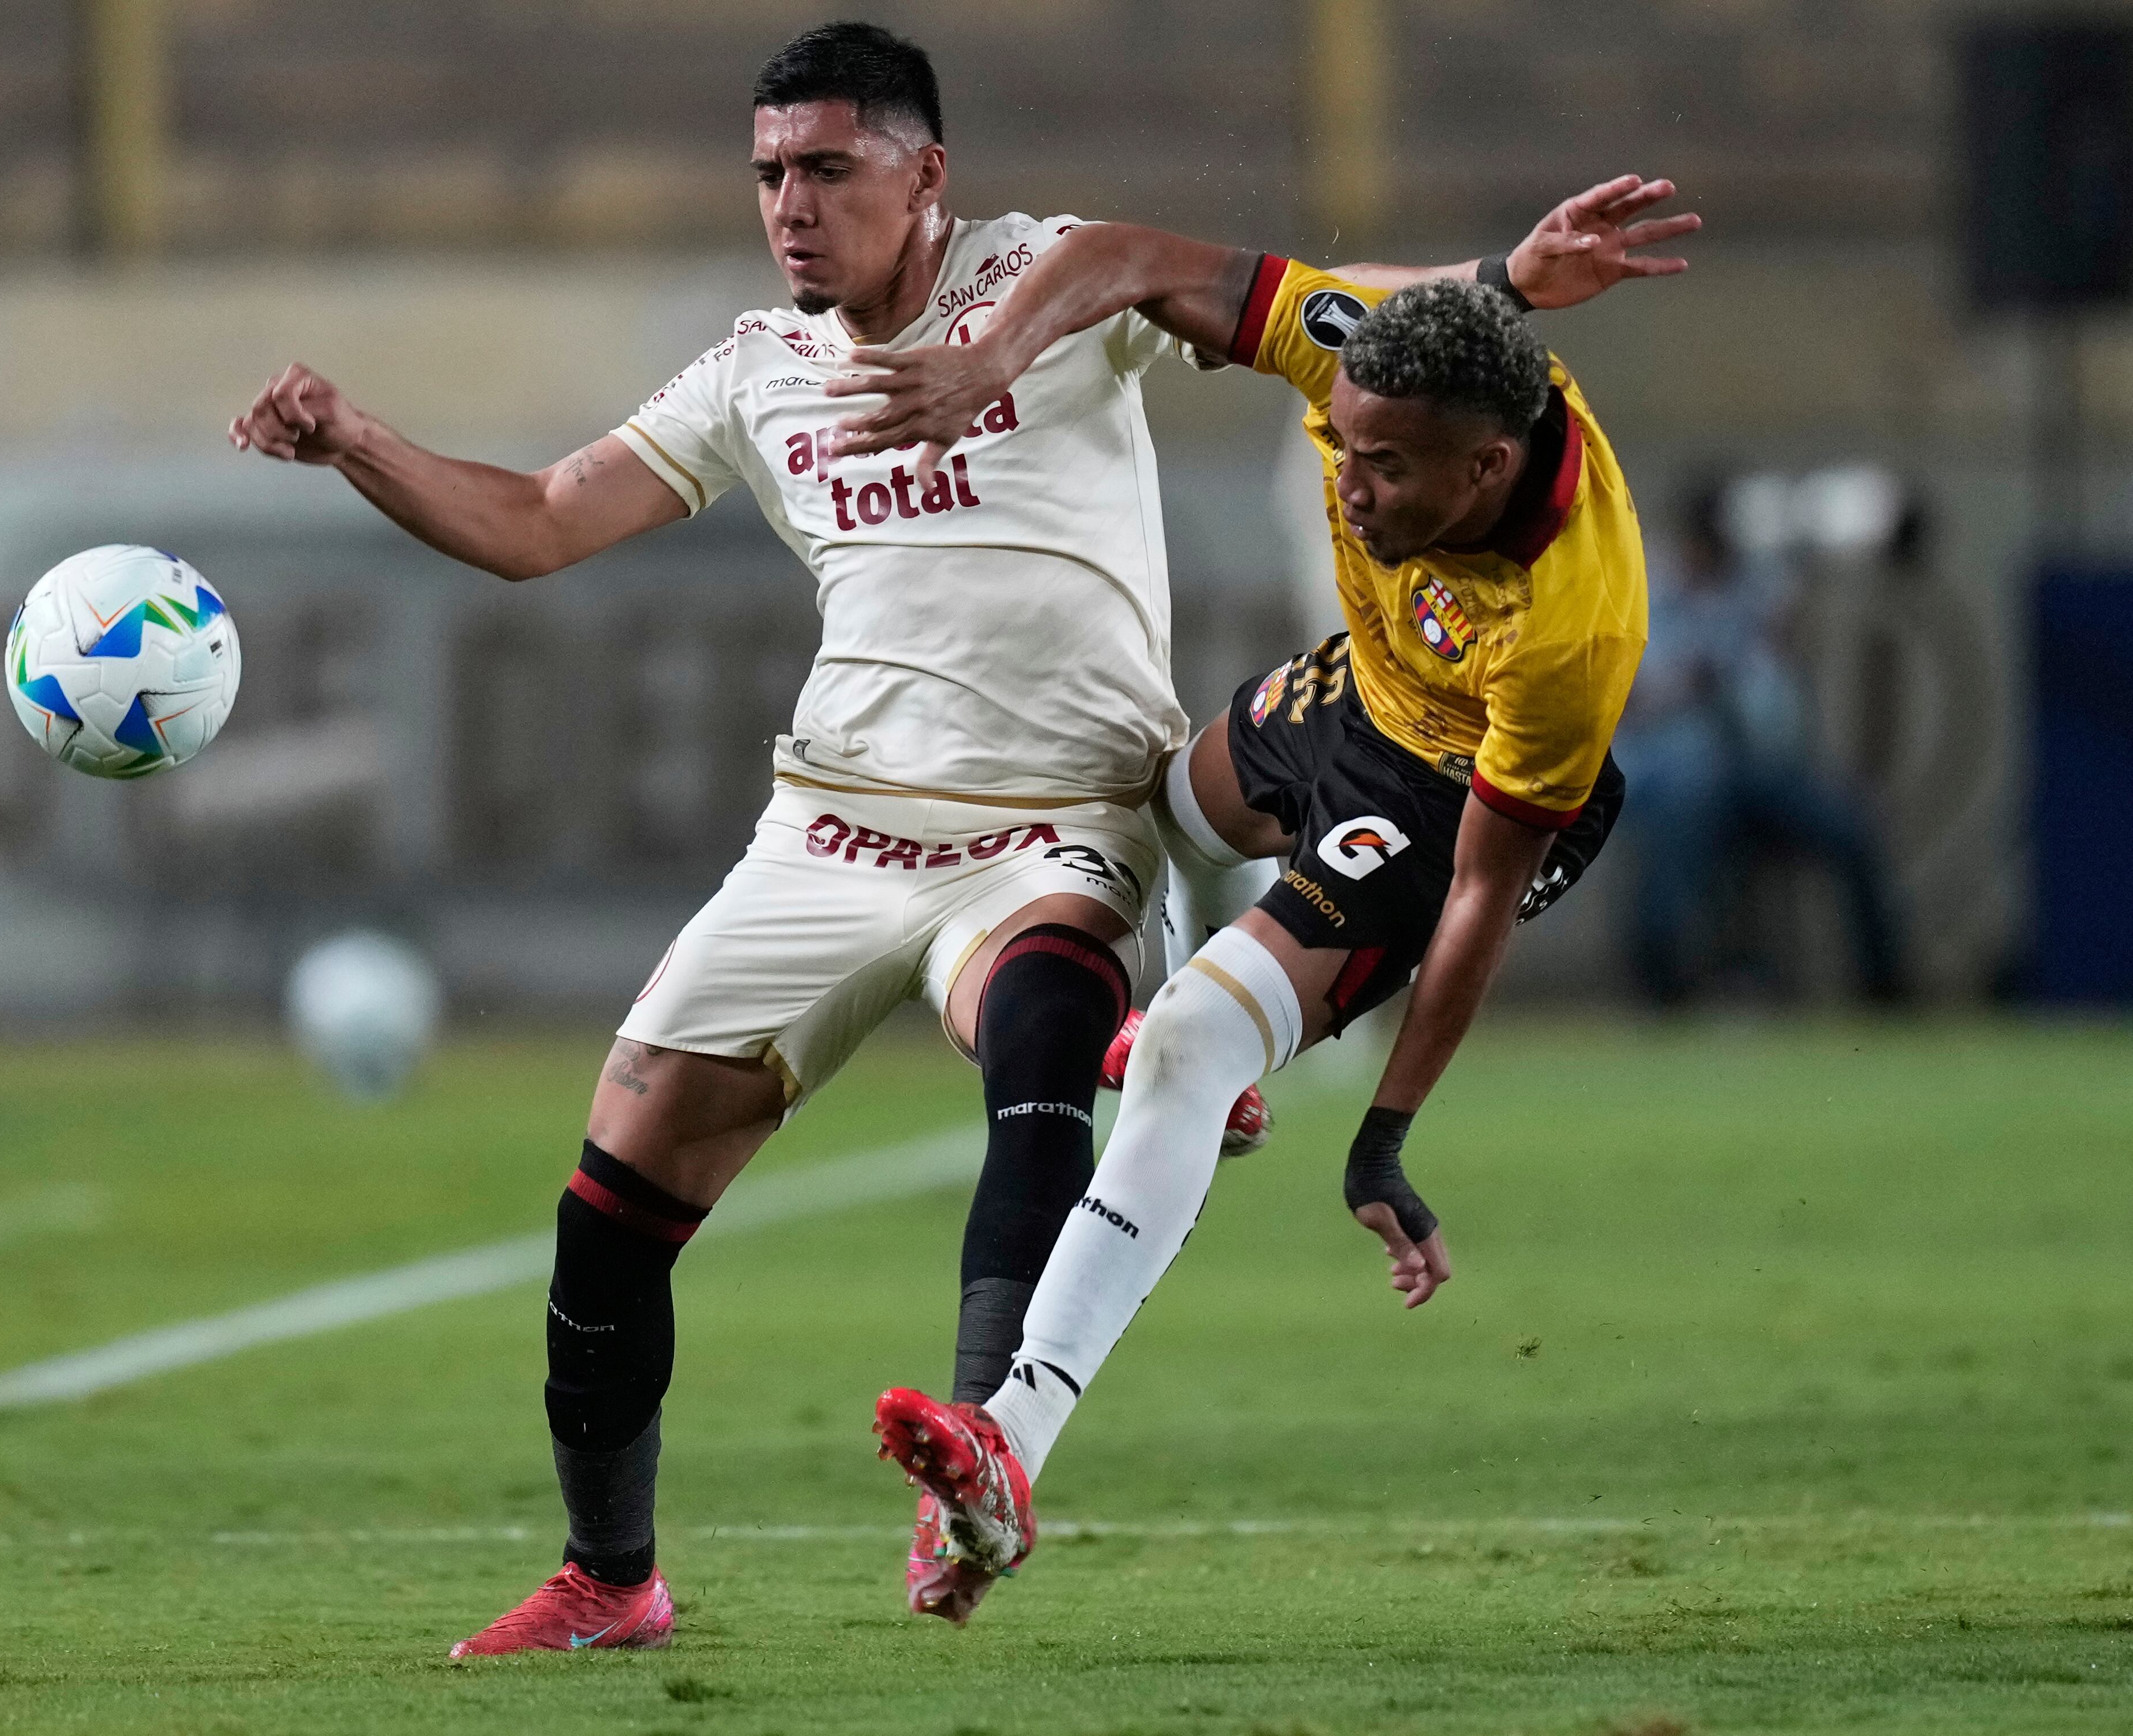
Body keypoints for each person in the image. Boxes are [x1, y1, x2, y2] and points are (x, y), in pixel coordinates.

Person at [231, 21, 1679, 1650]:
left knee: (1053, 1013)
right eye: (771, 173)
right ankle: (610, 1578)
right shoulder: (751, 372)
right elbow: (544, 522)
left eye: (829, 169)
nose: (791, 205)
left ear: (928, 174)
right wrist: (356, 442)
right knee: (609, 1197)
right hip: (829, 829)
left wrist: (1496, 279)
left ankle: (981, 1457)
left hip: (1059, 819)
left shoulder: (1043, 282)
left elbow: (1247, 288)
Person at [836, 195, 1690, 1616]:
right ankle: (1208, 1074)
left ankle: (1010, 1440)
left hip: (1449, 792)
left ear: (1485, 468)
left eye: (1387, 469)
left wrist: (1386, 1135)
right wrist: (985, 360)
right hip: (1360, 688)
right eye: (1341, 446)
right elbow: (1123, 255)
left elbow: (1474, 894)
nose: (1348, 486)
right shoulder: (1352, 348)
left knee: (1179, 1042)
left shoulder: (1569, 624)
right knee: (1127, 807)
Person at [1613, 481, 1906, 1004]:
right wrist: (1689, 683)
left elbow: (1774, 673)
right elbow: (1625, 702)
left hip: (1757, 772)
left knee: (1850, 829)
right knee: (1680, 833)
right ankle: (1661, 986)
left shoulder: (1753, 589)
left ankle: (1885, 986)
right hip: (1671, 775)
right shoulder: (1644, 589)